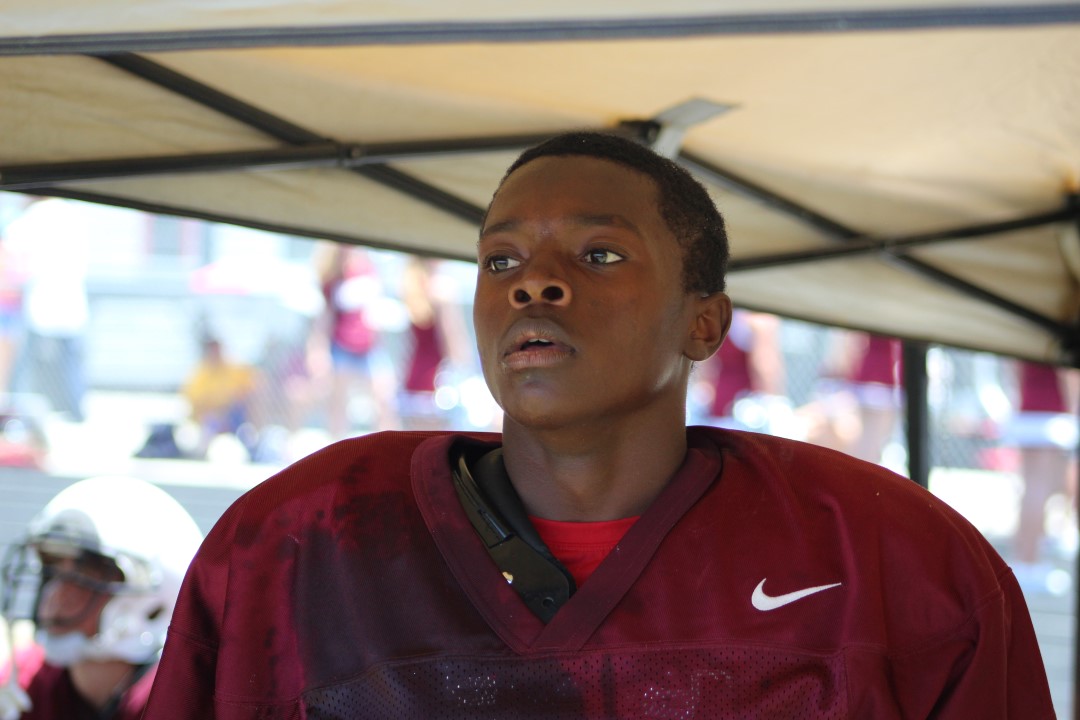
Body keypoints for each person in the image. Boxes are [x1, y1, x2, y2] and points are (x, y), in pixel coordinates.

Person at [142, 132, 1053, 718]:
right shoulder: (296, 542)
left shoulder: (895, 560)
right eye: (501, 260)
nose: (533, 283)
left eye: (600, 252)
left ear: (705, 323)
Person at [0, 475, 203, 719]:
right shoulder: (29, 681)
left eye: (84, 573)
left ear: (151, 603)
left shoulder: (182, 701)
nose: (56, 595)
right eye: (52, 569)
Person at [1004, 360, 1078, 594]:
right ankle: (1028, 562)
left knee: (1034, 488)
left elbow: (1013, 370)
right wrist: (1074, 412)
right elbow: (1068, 375)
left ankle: (1029, 556)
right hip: (1049, 417)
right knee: (1037, 491)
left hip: (1029, 412)